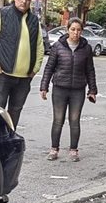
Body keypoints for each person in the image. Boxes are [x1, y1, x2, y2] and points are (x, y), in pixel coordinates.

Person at [0, 0, 44, 128]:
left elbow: (40, 47)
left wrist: (35, 68)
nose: (24, 1)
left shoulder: (34, 20)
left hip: (24, 78)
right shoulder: (2, 14)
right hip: (3, 74)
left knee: (15, 112)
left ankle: (10, 141)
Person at [39, 17, 97, 162]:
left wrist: (92, 90)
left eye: (78, 30)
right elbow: (49, 67)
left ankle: (73, 150)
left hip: (78, 90)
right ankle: (54, 149)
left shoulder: (86, 48)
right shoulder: (58, 46)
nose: (75, 33)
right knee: (58, 120)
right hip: (60, 88)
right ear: (67, 30)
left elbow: (90, 70)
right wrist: (44, 87)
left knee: (74, 120)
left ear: (82, 31)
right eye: (73, 29)